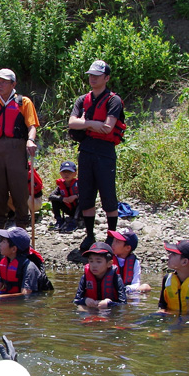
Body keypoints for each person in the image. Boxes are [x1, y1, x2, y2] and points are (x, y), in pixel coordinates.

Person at [66, 60, 126, 252]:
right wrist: (92, 123)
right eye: (90, 75)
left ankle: (111, 236)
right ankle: (90, 235)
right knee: (86, 195)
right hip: (86, 150)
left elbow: (108, 128)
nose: (92, 79)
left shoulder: (113, 100)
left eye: (97, 76)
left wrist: (84, 122)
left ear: (106, 78)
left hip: (105, 151)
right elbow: (72, 123)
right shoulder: (82, 100)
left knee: (108, 194)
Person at [0, 69, 40, 232]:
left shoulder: (24, 102)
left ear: (13, 84)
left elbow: (32, 126)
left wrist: (30, 140)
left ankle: (21, 229)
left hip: (16, 150)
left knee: (19, 192)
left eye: (3, 82)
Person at [0, 227, 51, 298]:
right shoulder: (5, 262)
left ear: (14, 249)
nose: (0, 244)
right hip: (8, 295)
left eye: (4, 242)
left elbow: (26, 294)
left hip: (27, 300)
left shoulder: (29, 267)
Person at [74, 242, 125, 310]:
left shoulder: (116, 278)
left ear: (109, 264)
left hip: (109, 310)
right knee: (80, 308)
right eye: (91, 261)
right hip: (91, 308)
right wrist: (85, 300)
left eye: (98, 261)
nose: (94, 265)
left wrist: (109, 303)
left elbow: (123, 304)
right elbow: (75, 301)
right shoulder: (85, 277)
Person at [108, 228, 150, 295]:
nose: (113, 244)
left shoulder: (135, 262)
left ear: (127, 248)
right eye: (114, 240)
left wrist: (127, 289)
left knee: (146, 287)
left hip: (127, 290)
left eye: (117, 242)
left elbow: (136, 283)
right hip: (111, 290)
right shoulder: (108, 259)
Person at [48, 160, 80, 232]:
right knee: (55, 200)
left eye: (69, 172)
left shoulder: (79, 184)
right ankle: (59, 220)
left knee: (81, 200)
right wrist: (63, 199)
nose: (66, 174)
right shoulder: (60, 186)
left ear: (75, 174)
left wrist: (75, 196)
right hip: (68, 209)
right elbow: (50, 196)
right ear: (60, 173)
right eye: (64, 172)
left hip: (79, 211)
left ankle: (75, 221)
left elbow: (86, 195)